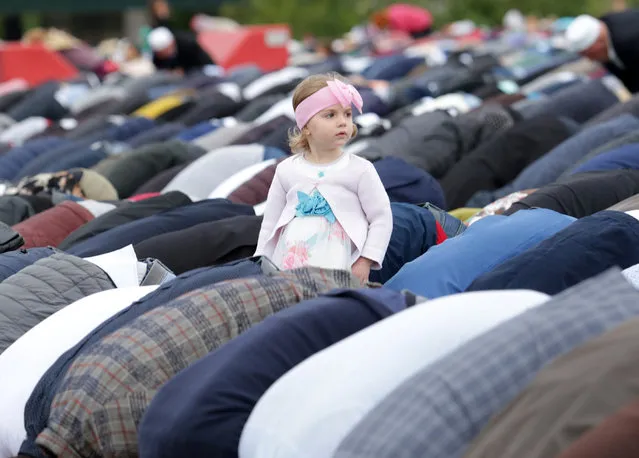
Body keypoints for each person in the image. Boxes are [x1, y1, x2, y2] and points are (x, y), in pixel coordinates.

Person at [254, 73, 393, 283]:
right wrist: (261, 260)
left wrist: (366, 260)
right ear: (306, 126)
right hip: (290, 260)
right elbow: (270, 222)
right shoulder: (286, 170)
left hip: (339, 262)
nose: (342, 122)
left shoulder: (360, 169)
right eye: (330, 115)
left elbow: (381, 217)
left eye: (347, 114)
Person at [563, 10, 639, 92]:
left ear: (597, 44)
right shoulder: (606, 31)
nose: (590, 59)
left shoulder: (630, 40)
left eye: (588, 54)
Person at [147, 26, 214, 75]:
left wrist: (183, 70)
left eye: (164, 51)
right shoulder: (157, 57)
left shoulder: (188, 45)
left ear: (172, 43)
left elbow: (202, 64)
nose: (163, 55)